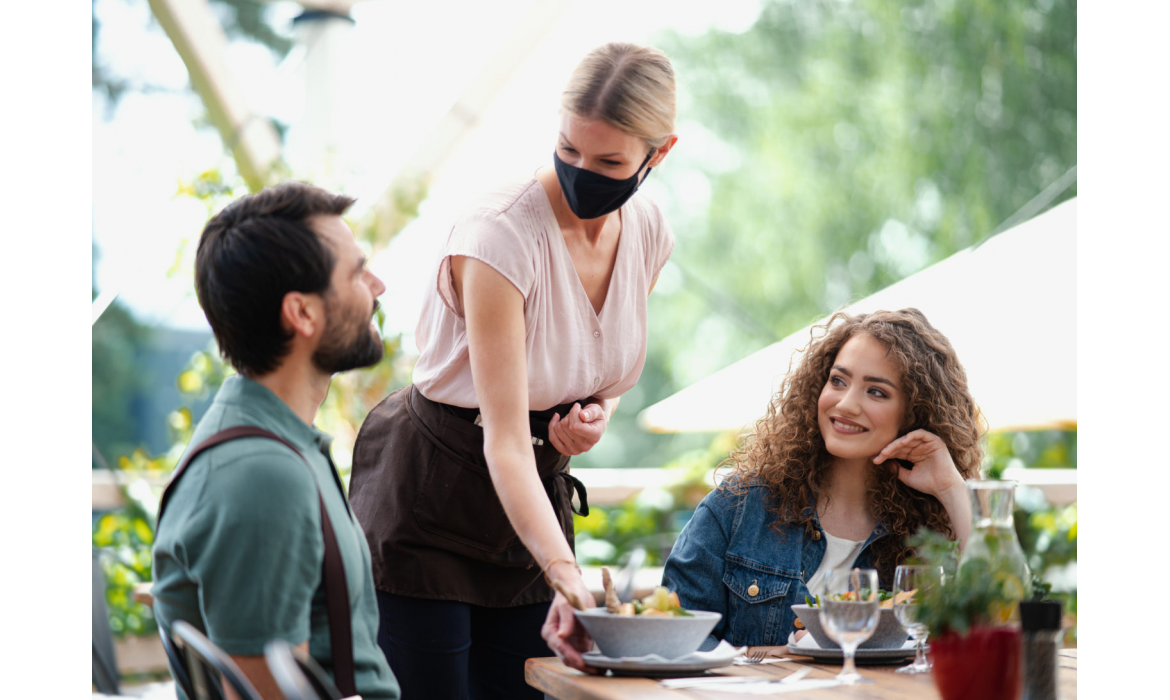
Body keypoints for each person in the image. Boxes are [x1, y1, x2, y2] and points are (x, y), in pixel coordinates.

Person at [348, 42, 679, 698]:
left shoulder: (648, 232)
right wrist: (565, 570)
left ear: (658, 153)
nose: (583, 171)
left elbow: (598, 366)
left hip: (531, 502)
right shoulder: (499, 234)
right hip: (433, 494)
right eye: (568, 149)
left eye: (610, 160)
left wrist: (592, 416)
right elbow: (503, 436)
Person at [151, 182, 400, 700]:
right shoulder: (263, 475)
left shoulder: (277, 446)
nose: (377, 286)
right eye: (356, 271)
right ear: (302, 313)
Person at [662, 308, 983, 650]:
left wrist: (952, 489)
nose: (845, 404)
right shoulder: (738, 507)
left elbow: (1000, 621)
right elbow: (671, 636)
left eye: (876, 392)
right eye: (838, 381)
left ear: (916, 413)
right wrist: (777, 661)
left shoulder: (932, 526)